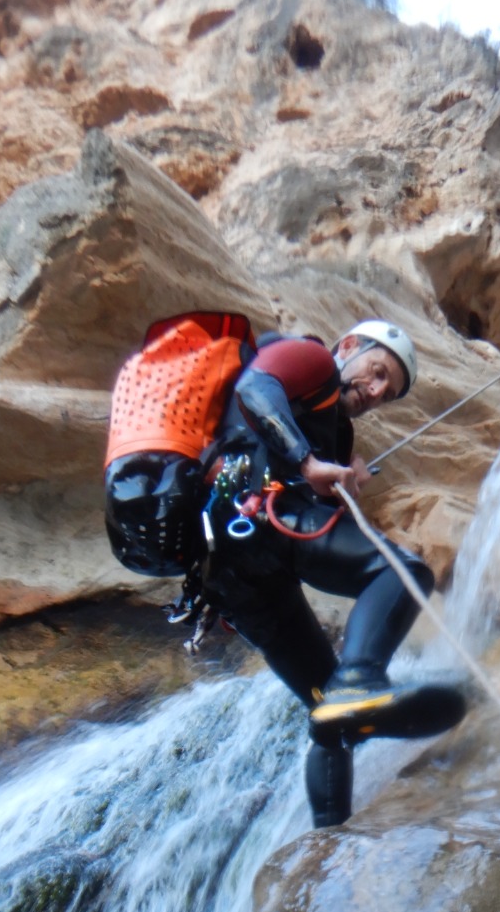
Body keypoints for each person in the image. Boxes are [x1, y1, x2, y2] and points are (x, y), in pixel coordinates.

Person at [199, 318, 465, 828]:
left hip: (234, 572)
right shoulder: (312, 359)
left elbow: (316, 500)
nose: (377, 391)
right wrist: (308, 463)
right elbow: (256, 390)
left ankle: (328, 836)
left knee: (331, 712)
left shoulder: (332, 430)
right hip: (261, 520)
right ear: (349, 346)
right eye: (377, 371)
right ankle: (362, 678)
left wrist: (342, 482)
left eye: (388, 392)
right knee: (403, 571)